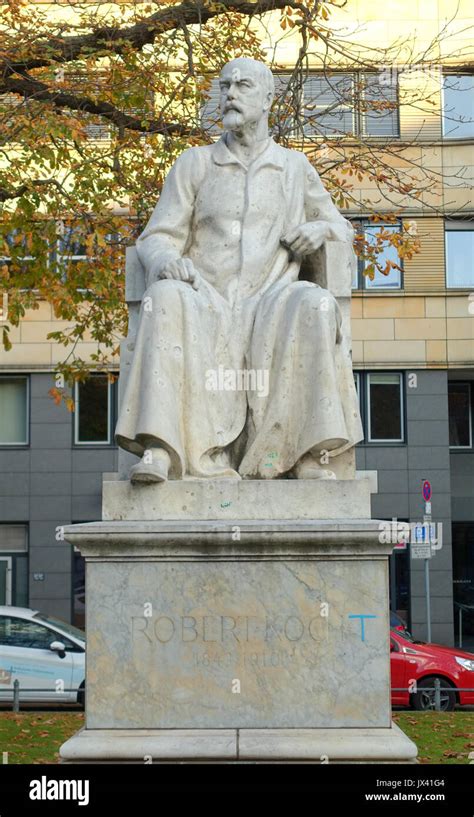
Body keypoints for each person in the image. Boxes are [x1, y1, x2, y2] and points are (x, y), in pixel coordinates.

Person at [115, 57, 363, 483]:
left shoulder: (294, 168)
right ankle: (161, 450)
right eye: (224, 86)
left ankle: (305, 454)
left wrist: (319, 228)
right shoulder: (193, 163)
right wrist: (164, 260)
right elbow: (157, 236)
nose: (228, 94)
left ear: (267, 98)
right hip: (204, 300)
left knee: (317, 305)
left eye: (242, 85)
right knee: (164, 297)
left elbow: (341, 228)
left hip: (273, 300)